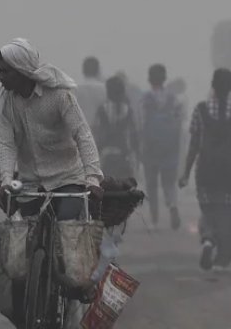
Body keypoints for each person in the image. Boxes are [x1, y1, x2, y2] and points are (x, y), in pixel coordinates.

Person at [0, 38, 104, 328]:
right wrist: (6, 179)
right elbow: (6, 144)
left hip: (67, 180)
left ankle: (75, 289)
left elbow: (83, 135)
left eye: (4, 71)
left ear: (21, 71)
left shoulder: (59, 95)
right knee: (18, 260)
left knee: (68, 240)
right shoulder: (4, 100)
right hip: (30, 183)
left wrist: (92, 178)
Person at [179, 68, 231, 271]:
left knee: (208, 208)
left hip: (206, 169)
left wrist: (185, 174)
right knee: (227, 210)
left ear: (213, 86)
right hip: (228, 170)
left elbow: (193, 146)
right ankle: (223, 251)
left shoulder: (200, 109)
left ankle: (208, 239)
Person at [141, 64, 183, 230]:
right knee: (169, 182)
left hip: (151, 148)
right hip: (169, 147)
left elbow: (141, 123)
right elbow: (179, 121)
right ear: (164, 78)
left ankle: (154, 221)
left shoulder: (145, 99)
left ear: (150, 79)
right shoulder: (173, 98)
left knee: (152, 184)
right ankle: (172, 204)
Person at [94, 76, 140, 178]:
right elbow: (134, 136)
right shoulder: (128, 110)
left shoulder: (102, 109)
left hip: (105, 155)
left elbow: (97, 133)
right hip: (123, 154)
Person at [74, 56, 105, 131]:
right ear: (98, 70)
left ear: (83, 71)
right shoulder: (104, 89)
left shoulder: (76, 89)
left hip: (81, 128)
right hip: (98, 128)